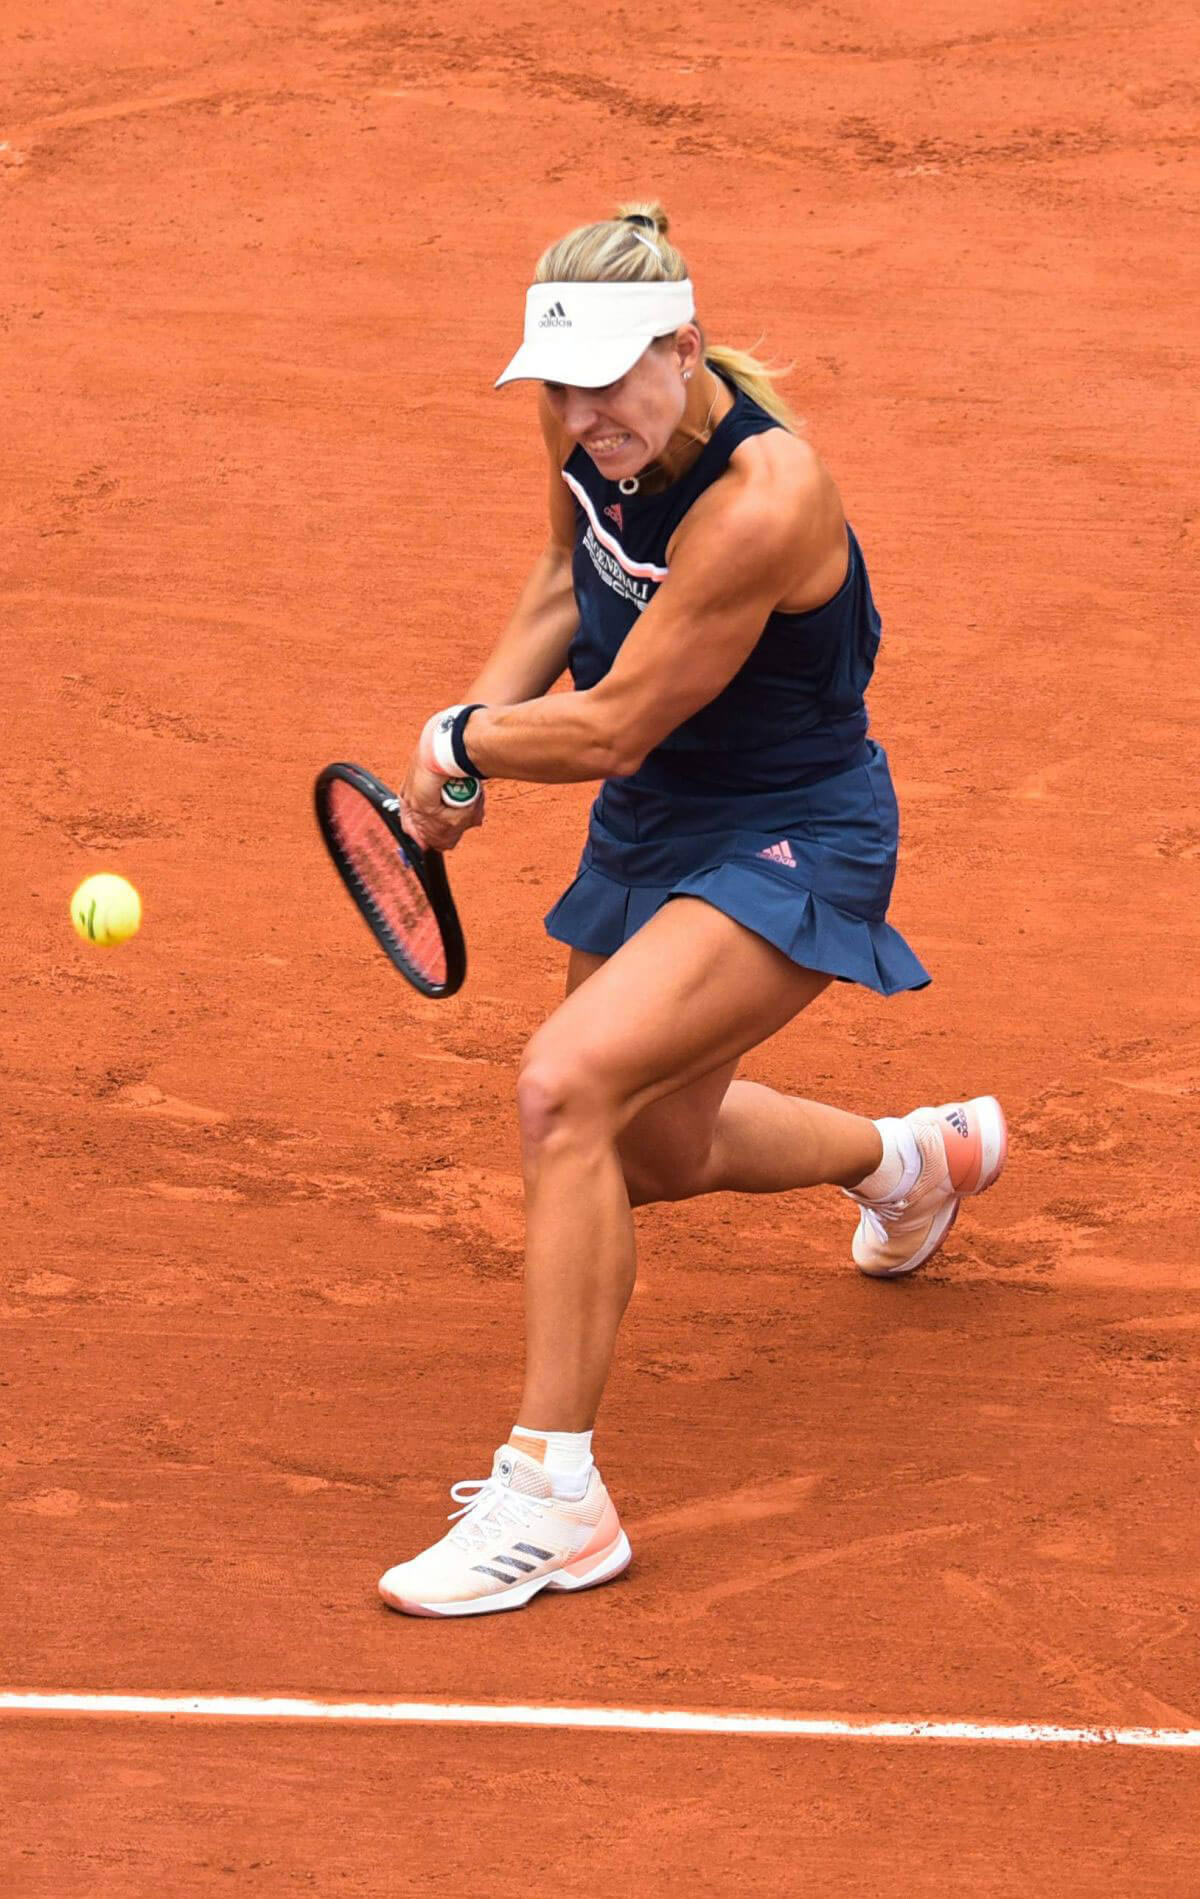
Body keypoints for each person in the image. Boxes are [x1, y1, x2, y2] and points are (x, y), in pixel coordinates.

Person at [377, 202, 1007, 1618]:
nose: (584, 412)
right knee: (648, 1146)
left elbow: (607, 726)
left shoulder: (766, 501)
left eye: (610, 379)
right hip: (656, 820)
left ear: (687, 346)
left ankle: (557, 1498)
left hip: (790, 832)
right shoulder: (582, 432)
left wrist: (462, 743)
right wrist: (470, 739)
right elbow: (562, 577)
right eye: (560, 381)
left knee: (563, 1096)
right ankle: (908, 1161)